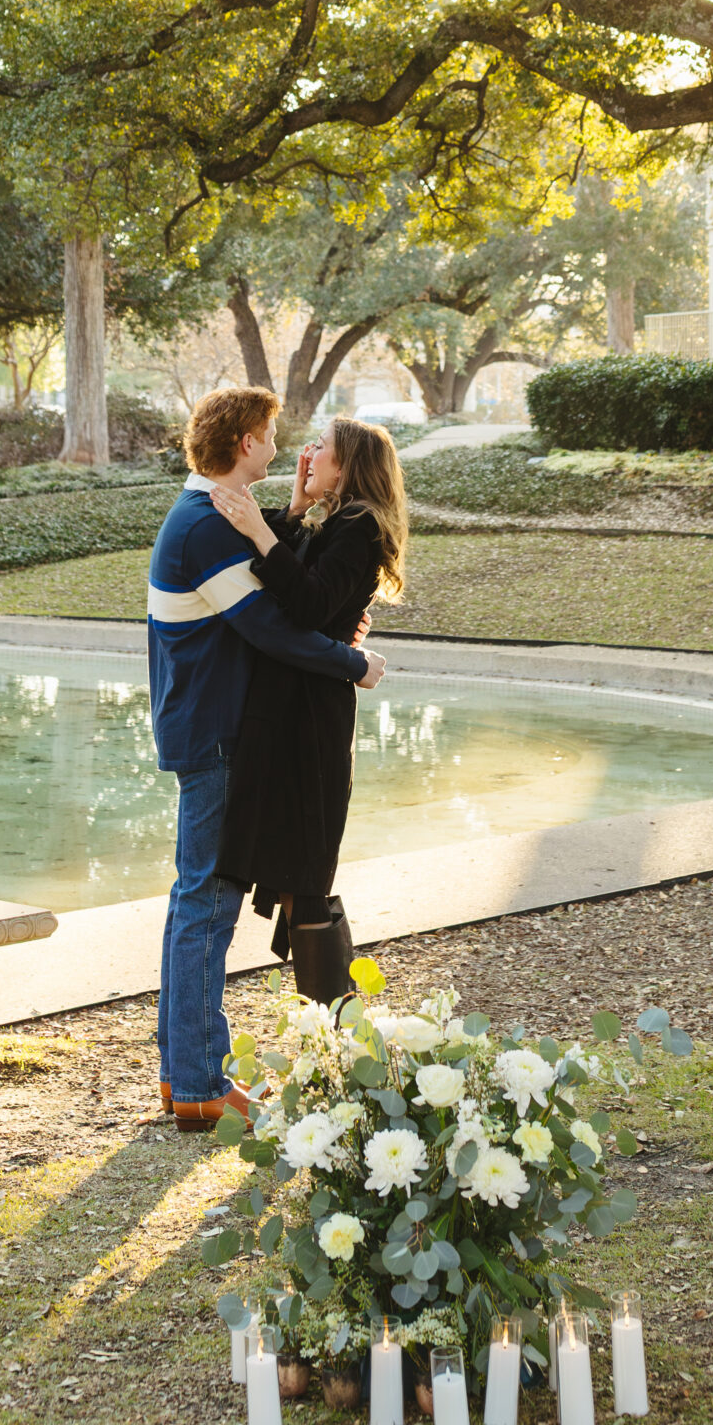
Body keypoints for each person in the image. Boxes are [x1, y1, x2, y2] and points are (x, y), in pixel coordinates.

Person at [147, 385, 387, 1130]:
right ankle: (196, 1086)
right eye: (276, 433)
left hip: (215, 728)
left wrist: (280, 519)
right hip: (218, 734)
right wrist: (357, 666)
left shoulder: (207, 515)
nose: (289, 445)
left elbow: (291, 598)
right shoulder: (209, 527)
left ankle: (182, 1075)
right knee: (206, 907)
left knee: (197, 902)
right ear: (247, 441)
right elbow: (273, 631)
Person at [209, 415, 409, 1003]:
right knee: (296, 875)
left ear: (346, 466)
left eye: (321, 447)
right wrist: (293, 510)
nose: (308, 452)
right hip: (292, 711)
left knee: (305, 872)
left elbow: (308, 603)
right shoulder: (336, 520)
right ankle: (335, 1037)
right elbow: (294, 584)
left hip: (309, 720)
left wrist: (266, 532)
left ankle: (339, 1034)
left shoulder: (360, 525)